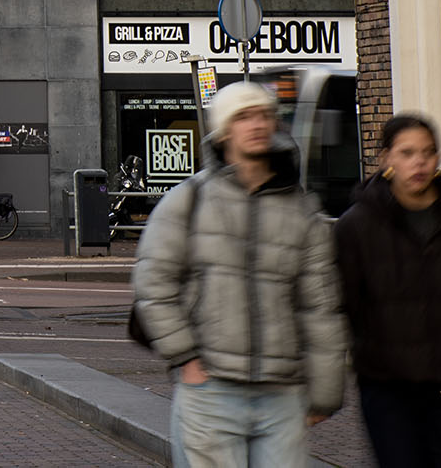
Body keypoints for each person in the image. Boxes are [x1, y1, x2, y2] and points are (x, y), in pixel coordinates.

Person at [132, 80, 346, 467]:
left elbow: (320, 306)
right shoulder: (189, 199)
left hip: (283, 393)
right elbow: (153, 284)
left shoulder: (302, 210)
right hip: (212, 389)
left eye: (264, 115)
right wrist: (186, 358)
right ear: (224, 131)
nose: (257, 124)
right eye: (244, 117)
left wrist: (326, 392)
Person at [332, 113, 441, 466]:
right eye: (407, 153)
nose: (419, 162)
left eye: (428, 152)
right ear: (386, 158)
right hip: (388, 393)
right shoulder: (356, 228)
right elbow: (340, 309)